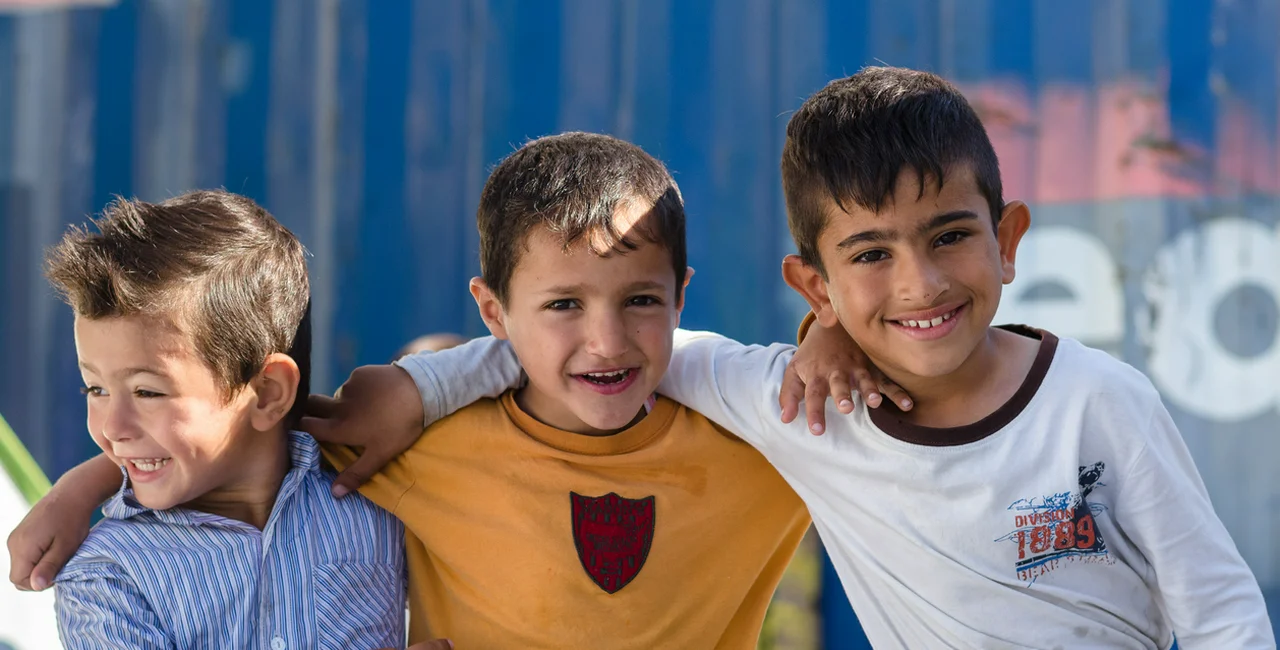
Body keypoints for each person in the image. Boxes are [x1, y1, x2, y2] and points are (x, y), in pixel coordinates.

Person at [303, 69, 1275, 648]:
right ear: (811, 284)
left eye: (948, 236)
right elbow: (614, 353)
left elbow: (1222, 605)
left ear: (1007, 236)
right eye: (868, 256)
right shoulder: (794, 402)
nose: (918, 284)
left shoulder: (1098, 399)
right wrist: (427, 380)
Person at [11, 134, 896, 648]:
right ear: (494, 313)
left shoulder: (767, 442)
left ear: (680, 298)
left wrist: (826, 336)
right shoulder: (402, 457)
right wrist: (86, 485)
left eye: (640, 301)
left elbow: (908, 386)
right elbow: (246, 439)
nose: (607, 338)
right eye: (562, 304)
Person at [34, 191, 424, 649]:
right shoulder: (107, 574)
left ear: (267, 393)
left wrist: (418, 386)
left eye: (146, 391)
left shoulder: (378, 496)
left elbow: (508, 360)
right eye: (94, 388)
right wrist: (81, 486)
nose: (112, 427)